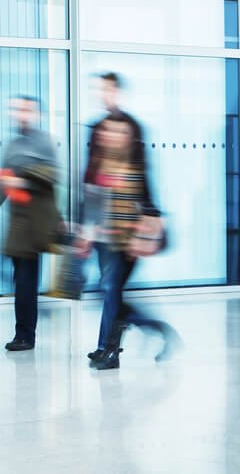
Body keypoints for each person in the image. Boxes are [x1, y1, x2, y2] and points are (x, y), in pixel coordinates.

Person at [86, 114, 181, 370]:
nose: (111, 136)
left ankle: (113, 351)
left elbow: (149, 205)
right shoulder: (102, 163)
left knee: (110, 294)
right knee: (107, 295)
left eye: (118, 132)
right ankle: (115, 343)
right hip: (106, 243)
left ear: (127, 138)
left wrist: (141, 236)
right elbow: (96, 202)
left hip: (126, 247)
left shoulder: (134, 168)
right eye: (108, 131)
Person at [81, 72, 153, 362]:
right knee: (108, 288)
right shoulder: (96, 128)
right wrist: (85, 223)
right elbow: (90, 178)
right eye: (101, 90)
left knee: (111, 288)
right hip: (102, 225)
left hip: (125, 229)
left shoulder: (133, 128)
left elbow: (144, 179)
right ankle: (109, 344)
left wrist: (149, 217)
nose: (103, 95)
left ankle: (110, 348)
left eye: (108, 90)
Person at [0, 95, 61, 352]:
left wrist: (24, 180)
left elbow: (54, 175)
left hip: (36, 220)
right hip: (17, 220)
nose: (21, 114)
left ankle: (26, 335)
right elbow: (2, 182)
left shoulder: (44, 143)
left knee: (26, 281)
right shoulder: (13, 145)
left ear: (37, 114)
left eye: (27, 110)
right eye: (17, 109)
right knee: (18, 278)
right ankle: (25, 330)